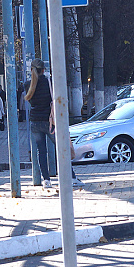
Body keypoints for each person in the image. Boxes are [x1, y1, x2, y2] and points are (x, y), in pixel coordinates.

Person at [24, 58, 82, 189]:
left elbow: (32, 103)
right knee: (61, 149)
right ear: (43, 69)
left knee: (41, 151)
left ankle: (46, 180)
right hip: (50, 122)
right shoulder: (49, 82)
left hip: (35, 122)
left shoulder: (28, 84)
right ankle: (71, 177)